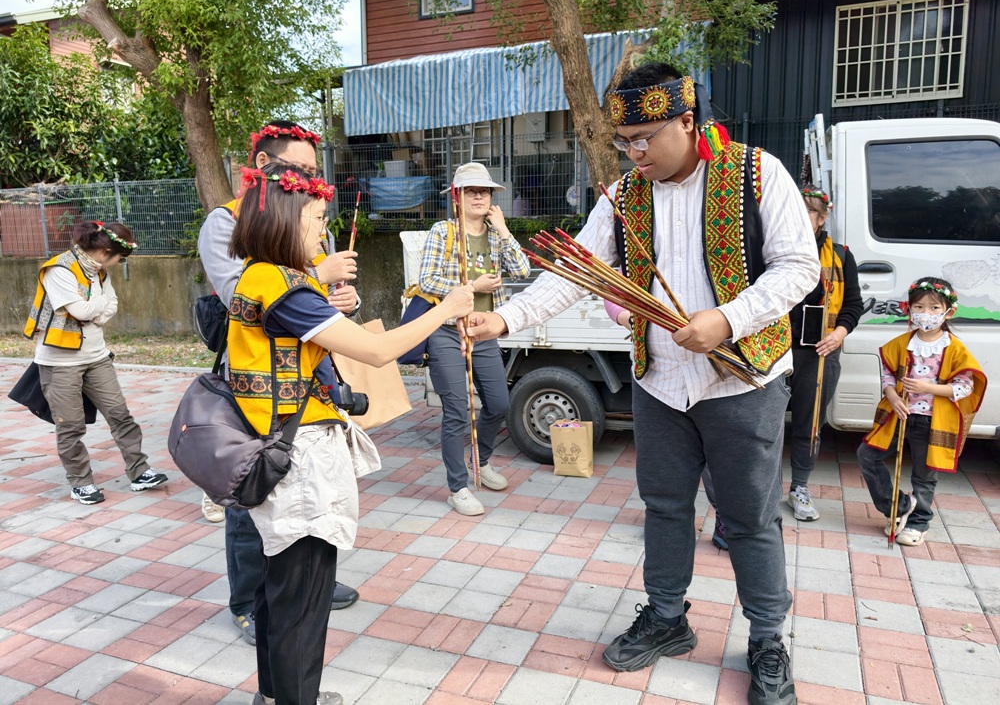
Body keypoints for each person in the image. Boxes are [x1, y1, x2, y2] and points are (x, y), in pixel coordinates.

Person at [468, 62, 819, 705]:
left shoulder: (756, 173)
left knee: (747, 517)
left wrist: (728, 318)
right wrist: (507, 317)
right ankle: (666, 619)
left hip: (744, 382)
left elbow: (799, 267)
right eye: (624, 140)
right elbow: (576, 269)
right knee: (663, 505)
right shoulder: (624, 196)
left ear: (688, 121)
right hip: (660, 381)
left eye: (646, 137)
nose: (634, 152)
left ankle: (767, 638)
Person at [230, 162, 473, 705]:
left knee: (281, 587)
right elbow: (381, 351)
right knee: (304, 596)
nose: (321, 234)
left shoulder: (261, 274)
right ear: (287, 223)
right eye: (316, 221)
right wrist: (445, 308)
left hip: (275, 444)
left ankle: (274, 694)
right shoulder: (286, 288)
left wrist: (321, 283)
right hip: (298, 456)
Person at [198, 121, 361, 646]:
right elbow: (242, 294)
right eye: (301, 170)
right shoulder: (225, 222)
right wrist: (318, 270)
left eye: (315, 172)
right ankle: (249, 600)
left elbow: (320, 298)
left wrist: (343, 302)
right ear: (264, 166)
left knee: (307, 487)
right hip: (257, 383)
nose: (313, 182)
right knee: (257, 488)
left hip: (310, 377)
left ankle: (304, 584)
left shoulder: (310, 216)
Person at [23, 221, 169, 505]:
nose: (119, 263)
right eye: (120, 258)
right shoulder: (59, 269)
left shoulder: (99, 272)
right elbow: (80, 310)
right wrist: (95, 308)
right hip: (59, 362)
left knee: (120, 415)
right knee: (71, 426)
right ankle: (81, 483)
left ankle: (140, 472)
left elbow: (106, 307)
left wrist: (95, 309)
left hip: (97, 357)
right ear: (105, 251)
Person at [418, 162, 530, 516]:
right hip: (446, 330)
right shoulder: (443, 232)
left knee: (499, 403)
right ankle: (457, 486)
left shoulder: (496, 235)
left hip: (483, 331)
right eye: (471, 191)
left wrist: (505, 229)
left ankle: (480, 460)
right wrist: (472, 287)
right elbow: (427, 281)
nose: (480, 196)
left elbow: (523, 271)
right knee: (457, 411)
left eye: (485, 191)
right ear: (457, 196)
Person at [856, 277, 985, 546]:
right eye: (920, 306)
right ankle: (900, 507)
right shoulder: (900, 343)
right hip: (900, 414)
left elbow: (964, 388)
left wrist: (929, 387)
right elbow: (888, 376)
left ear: (948, 312)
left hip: (932, 420)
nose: (926, 313)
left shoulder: (955, 349)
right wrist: (892, 396)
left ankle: (918, 522)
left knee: (924, 475)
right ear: (910, 309)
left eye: (934, 308)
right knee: (867, 455)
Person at [603, 295, 729, 550]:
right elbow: (613, 289)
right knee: (664, 474)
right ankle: (666, 520)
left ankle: (725, 518)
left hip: (721, 373)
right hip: (658, 378)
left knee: (717, 463)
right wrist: (631, 319)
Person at [785, 188, 863, 521]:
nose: (802, 217)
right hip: (775, 350)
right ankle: (758, 486)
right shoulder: (774, 250)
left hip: (819, 353)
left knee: (809, 423)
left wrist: (838, 334)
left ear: (822, 217)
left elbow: (853, 306)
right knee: (762, 423)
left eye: (809, 211)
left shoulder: (841, 256)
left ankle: (799, 488)